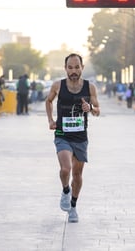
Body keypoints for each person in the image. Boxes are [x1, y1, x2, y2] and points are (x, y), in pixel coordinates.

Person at [45, 53, 100, 223]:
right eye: (70, 67)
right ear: (65, 69)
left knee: (77, 174)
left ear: (82, 68)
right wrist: (51, 120)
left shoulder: (90, 88)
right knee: (66, 169)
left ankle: (73, 207)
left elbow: (97, 110)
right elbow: (48, 101)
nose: (73, 71)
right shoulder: (58, 86)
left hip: (80, 137)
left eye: (77, 67)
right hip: (62, 134)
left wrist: (89, 107)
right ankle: (65, 191)